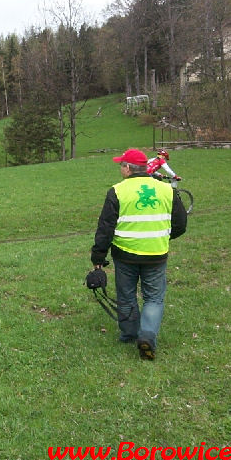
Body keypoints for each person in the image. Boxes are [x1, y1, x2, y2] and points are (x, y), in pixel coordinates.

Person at [91, 148, 187, 361]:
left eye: (121, 165)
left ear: (127, 168)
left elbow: (105, 227)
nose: (120, 169)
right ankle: (147, 335)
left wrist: (98, 257)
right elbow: (180, 224)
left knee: (126, 295)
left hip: (125, 254)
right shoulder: (166, 190)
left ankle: (129, 334)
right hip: (157, 253)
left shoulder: (117, 191)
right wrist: (160, 236)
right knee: (154, 298)